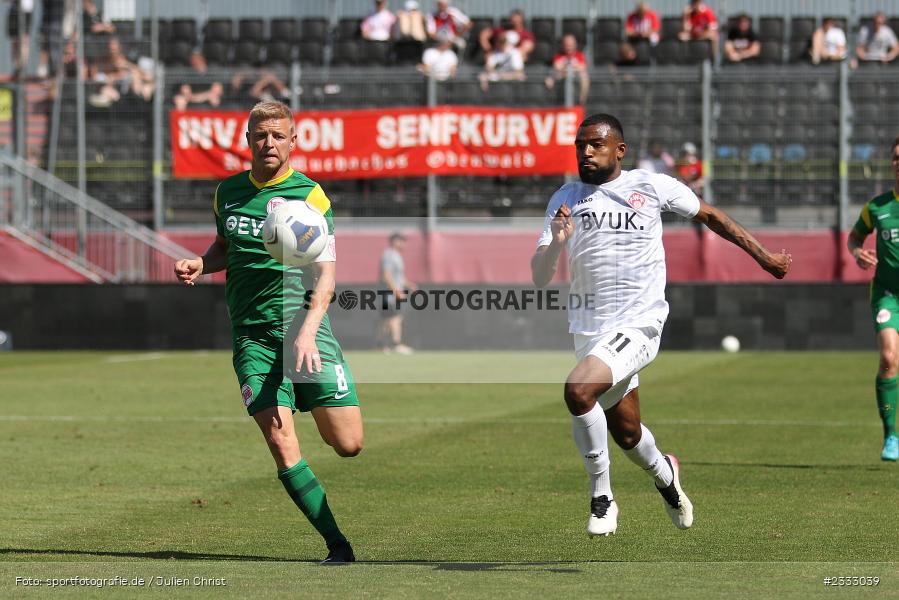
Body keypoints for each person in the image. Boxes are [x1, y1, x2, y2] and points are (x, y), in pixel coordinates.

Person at [530, 113, 791, 537]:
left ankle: (602, 498)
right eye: (581, 145)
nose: (586, 152)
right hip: (590, 330)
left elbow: (710, 216)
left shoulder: (650, 186)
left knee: (578, 391)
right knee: (628, 434)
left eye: (595, 144)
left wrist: (763, 256)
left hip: (640, 323)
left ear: (620, 150)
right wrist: (557, 243)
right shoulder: (565, 197)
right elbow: (540, 275)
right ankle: (665, 474)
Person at [174, 101, 362, 563]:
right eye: (261, 135)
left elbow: (326, 274)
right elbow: (224, 246)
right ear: (248, 140)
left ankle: (317, 402)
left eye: (278, 136)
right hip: (251, 338)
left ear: (293, 141)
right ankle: (338, 546)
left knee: (348, 443)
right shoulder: (229, 193)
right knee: (280, 441)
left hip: (304, 330)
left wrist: (307, 330)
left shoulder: (311, 197)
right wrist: (202, 262)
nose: (269, 143)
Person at [847, 137, 899, 462]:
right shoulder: (877, 207)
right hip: (888, 294)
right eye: (896, 156)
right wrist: (857, 253)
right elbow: (854, 237)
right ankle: (891, 436)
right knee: (889, 358)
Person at [378, 232, 416, 354]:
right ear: (394, 241)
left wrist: (409, 284)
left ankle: (381, 346)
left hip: (391, 293)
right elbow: (387, 275)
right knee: (395, 317)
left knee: (386, 319)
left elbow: (398, 277)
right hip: (389, 294)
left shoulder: (396, 255)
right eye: (401, 240)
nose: (403, 243)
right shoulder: (389, 255)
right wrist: (396, 292)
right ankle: (396, 344)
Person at [545, 34, 589, 105]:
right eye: (567, 45)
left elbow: (583, 67)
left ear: (575, 45)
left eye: (570, 45)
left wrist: (567, 67)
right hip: (562, 75)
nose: (568, 47)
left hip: (575, 76)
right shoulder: (559, 55)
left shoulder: (579, 55)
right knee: (549, 79)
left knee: (584, 76)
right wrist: (572, 67)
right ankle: (551, 102)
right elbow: (556, 67)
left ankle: (581, 101)